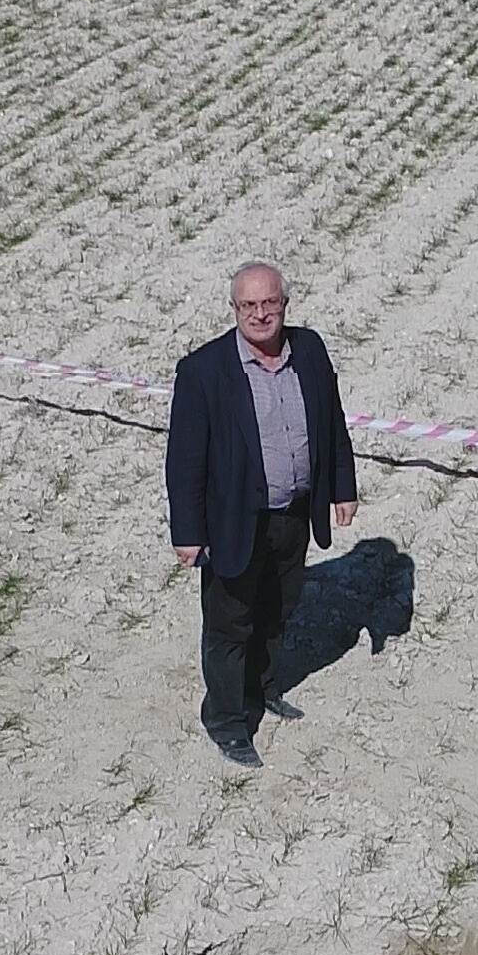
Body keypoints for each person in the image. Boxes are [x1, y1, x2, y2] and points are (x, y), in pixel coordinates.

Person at [164, 263, 360, 765]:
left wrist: (342, 487)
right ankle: (227, 719)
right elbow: (185, 461)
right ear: (234, 310)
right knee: (230, 624)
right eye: (249, 306)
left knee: (277, 609)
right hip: (234, 521)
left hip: (293, 513)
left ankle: (265, 688)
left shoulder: (310, 351)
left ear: (284, 305)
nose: (260, 314)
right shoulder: (204, 372)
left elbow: (332, 422)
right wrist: (187, 534)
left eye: (269, 303)